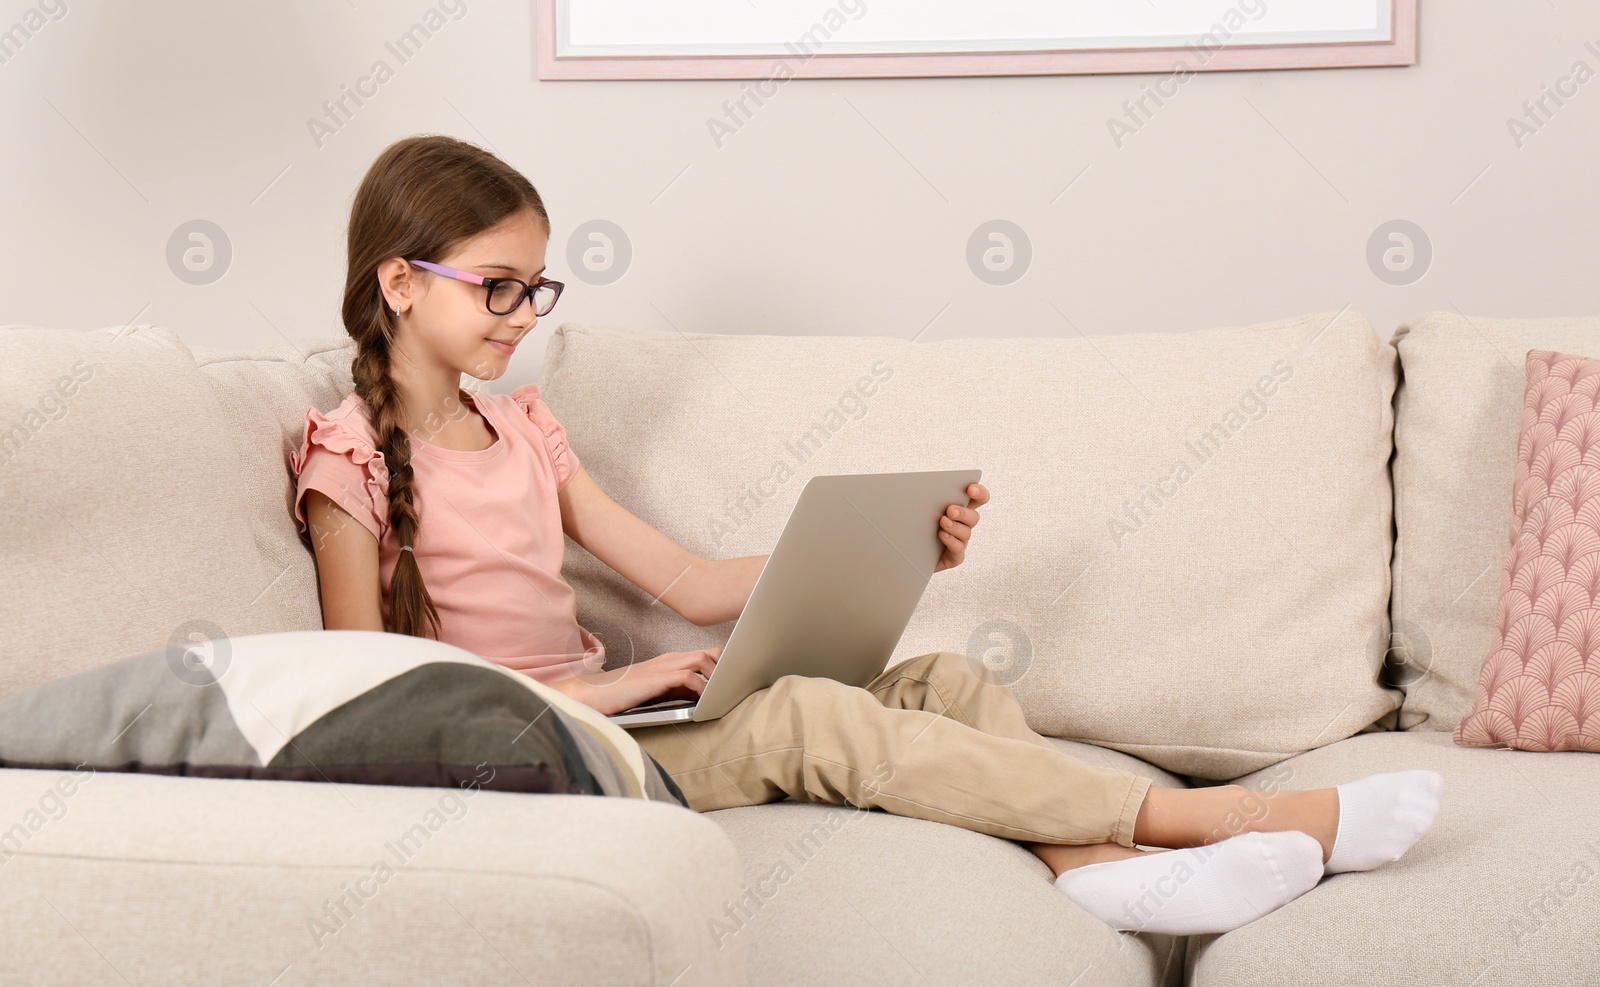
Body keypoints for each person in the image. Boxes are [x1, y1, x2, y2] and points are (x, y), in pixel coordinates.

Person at [291, 134, 1445, 936]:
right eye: (497, 285)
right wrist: (615, 686)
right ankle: (1227, 816)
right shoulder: (346, 458)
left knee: (939, 678)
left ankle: (1088, 866)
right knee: (805, 719)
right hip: (539, 760)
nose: (521, 314)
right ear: (399, 280)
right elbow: (379, 693)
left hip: (626, 721)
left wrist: (897, 548)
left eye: (535, 288)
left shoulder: (525, 426)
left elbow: (688, 582)